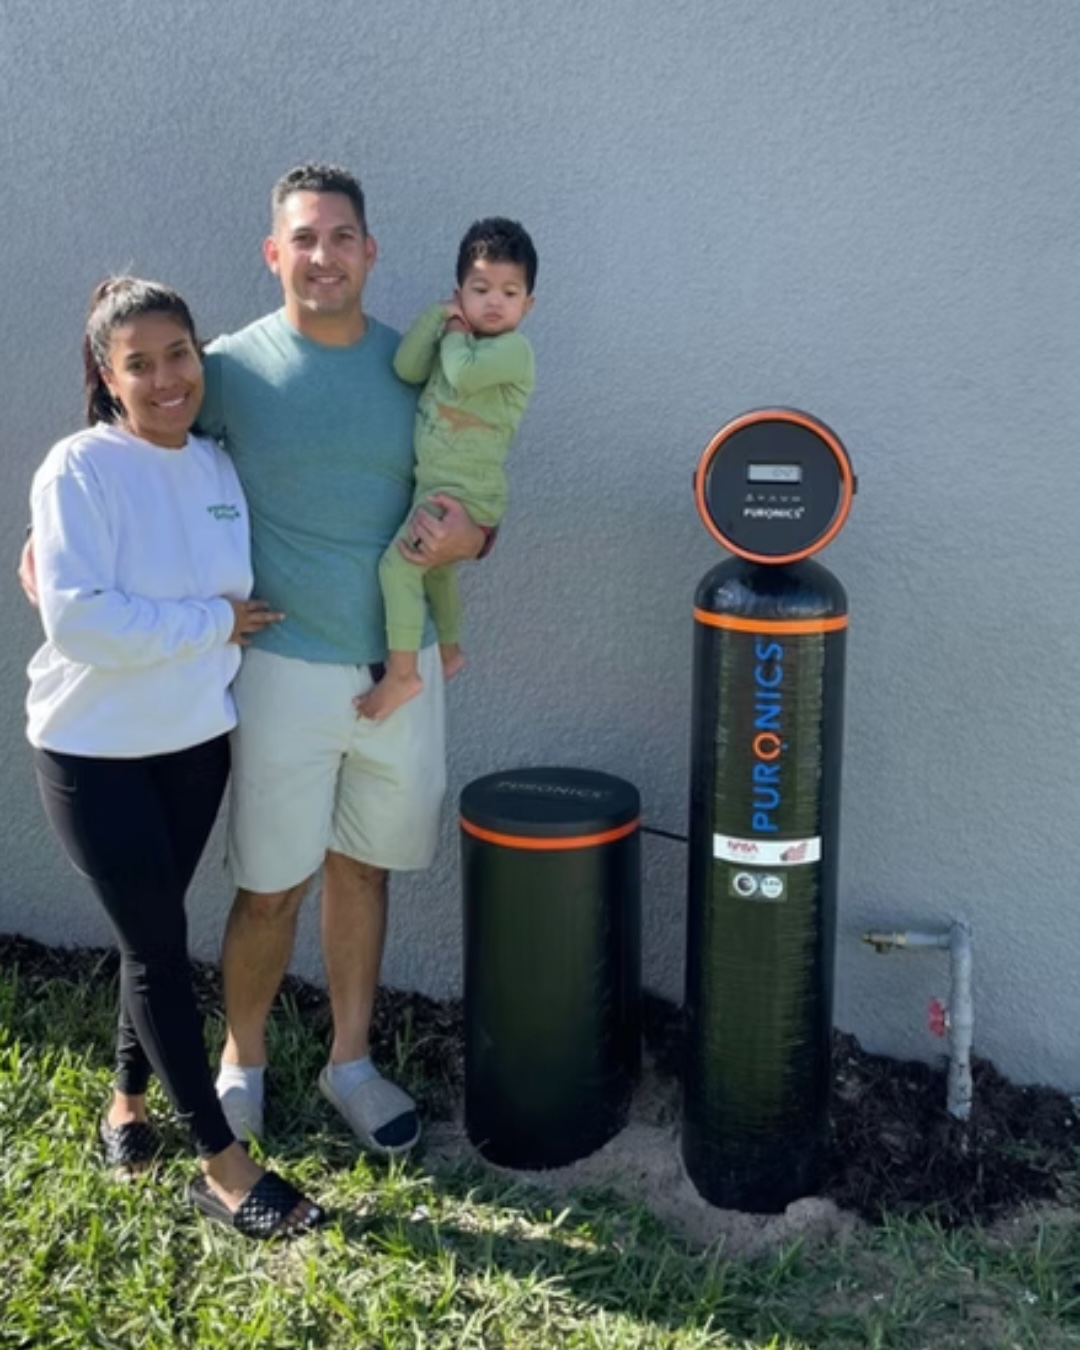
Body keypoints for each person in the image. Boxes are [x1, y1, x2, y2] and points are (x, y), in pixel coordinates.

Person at [195, 164, 488, 1154]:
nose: (324, 256)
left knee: (363, 873)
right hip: (282, 665)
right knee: (270, 886)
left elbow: (471, 488)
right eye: (304, 239)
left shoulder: (419, 370)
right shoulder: (227, 369)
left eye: (342, 237)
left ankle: (350, 1063)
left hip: (400, 671)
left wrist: (477, 539)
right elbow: (138, 448)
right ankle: (241, 1066)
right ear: (273, 253)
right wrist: (58, 536)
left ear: (370, 251)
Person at [26, 277, 323, 1240]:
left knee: (150, 931)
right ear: (107, 378)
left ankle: (125, 1105)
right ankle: (224, 1168)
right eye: (139, 365)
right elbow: (80, 623)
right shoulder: (80, 468)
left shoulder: (216, 469)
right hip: (95, 750)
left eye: (179, 355)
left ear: (202, 356)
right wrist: (211, 625)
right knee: (159, 949)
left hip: (194, 744)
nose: (166, 380)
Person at [355, 218, 537, 722]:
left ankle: (402, 674)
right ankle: (451, 650)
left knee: (396, 568)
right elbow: (406, 368)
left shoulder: (513, 351)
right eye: (480, 290)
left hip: (465, 495)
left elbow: (461, 373)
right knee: (433, 573)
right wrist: (436, 318)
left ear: (528, 305)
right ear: (460, 293)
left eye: (509, 292)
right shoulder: (455, 338)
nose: (494, 302)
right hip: (435, 487)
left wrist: (455, 328)